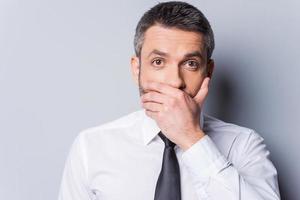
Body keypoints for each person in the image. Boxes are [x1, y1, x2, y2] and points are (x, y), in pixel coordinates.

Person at [58, 1, 280, 199]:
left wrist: (192, 139)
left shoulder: (244, 145)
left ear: (208, 72)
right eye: (158, 62)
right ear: (137, 69)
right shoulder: (91, 147)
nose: (175, 82)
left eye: (190, 63)